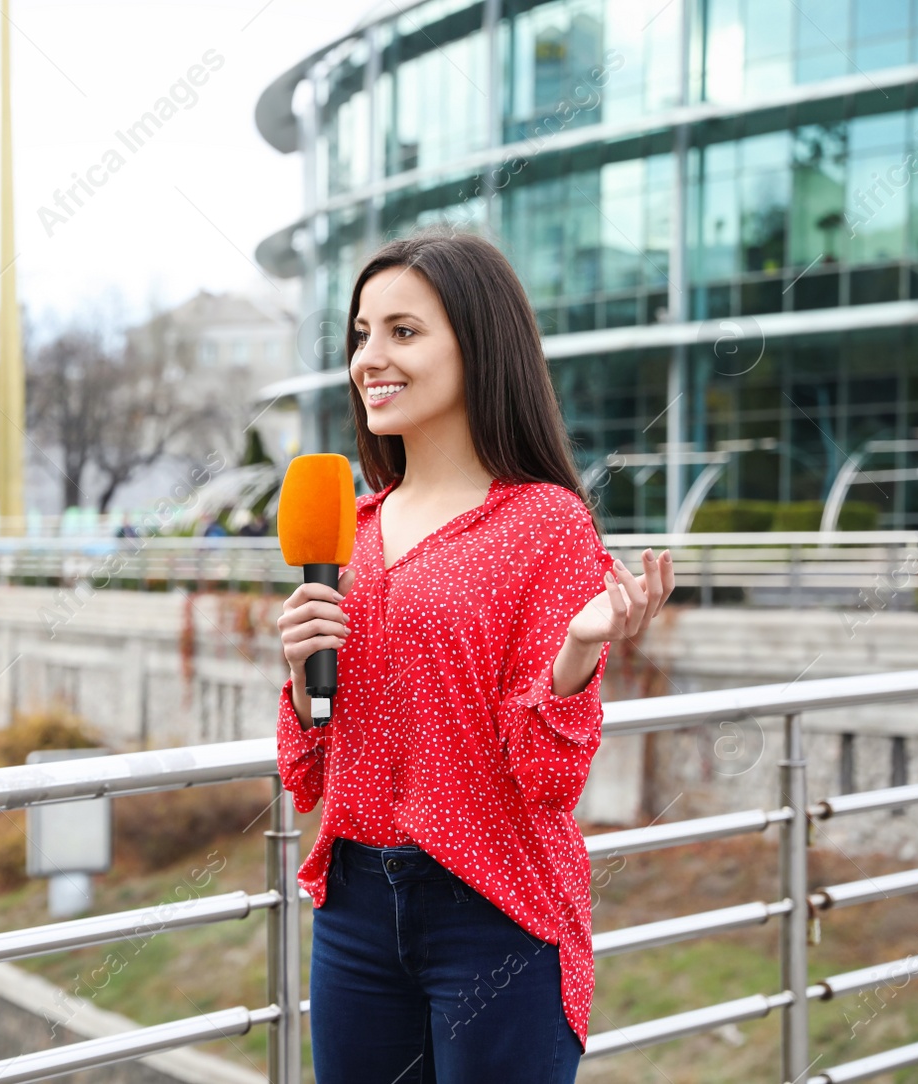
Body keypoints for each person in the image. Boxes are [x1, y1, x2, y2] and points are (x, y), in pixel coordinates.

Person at [274, 231, 675, 1084]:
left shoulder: (546, 522)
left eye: (402, 332)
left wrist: (575, 651)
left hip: (493, 912)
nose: (368, 360)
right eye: (360, 334)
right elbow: (310, 767)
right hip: (352, 907)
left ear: (478, 344)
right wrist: (299, 660)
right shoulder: (356, 528)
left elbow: (547, 780)